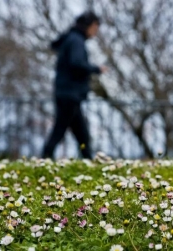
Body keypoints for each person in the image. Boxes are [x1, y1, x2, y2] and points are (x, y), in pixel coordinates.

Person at [42, 11, 107, 160]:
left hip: (68, 93)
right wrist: (96, 69)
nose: (96, 32)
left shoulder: (71, 39)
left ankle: (88, 159)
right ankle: (45, 157)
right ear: (88, 26)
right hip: (69, 94)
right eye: (95, 28)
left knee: (81, 132)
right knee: (60, 130)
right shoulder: (76, 41)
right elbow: (76, 63)